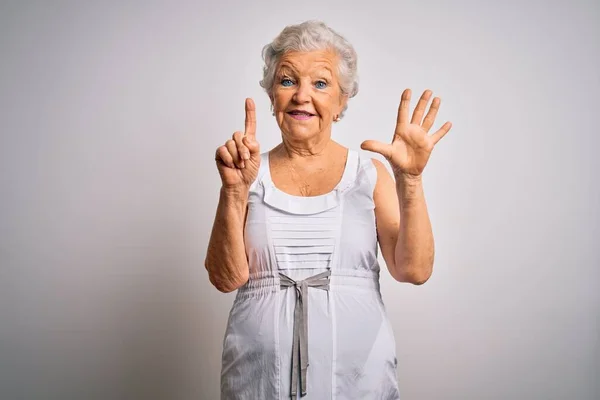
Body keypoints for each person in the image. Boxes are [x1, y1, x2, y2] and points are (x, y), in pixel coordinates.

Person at [205, 20, 452, 399]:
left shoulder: (369, 174)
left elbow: (414, 270)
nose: (302, 95)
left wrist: (411, 181)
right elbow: (226, 279)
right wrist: (234, 191)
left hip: (359, 381)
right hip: (257, 382)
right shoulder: (245, 172)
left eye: (320, 83)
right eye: (288, 81)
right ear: (272, 96)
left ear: (341, 102)